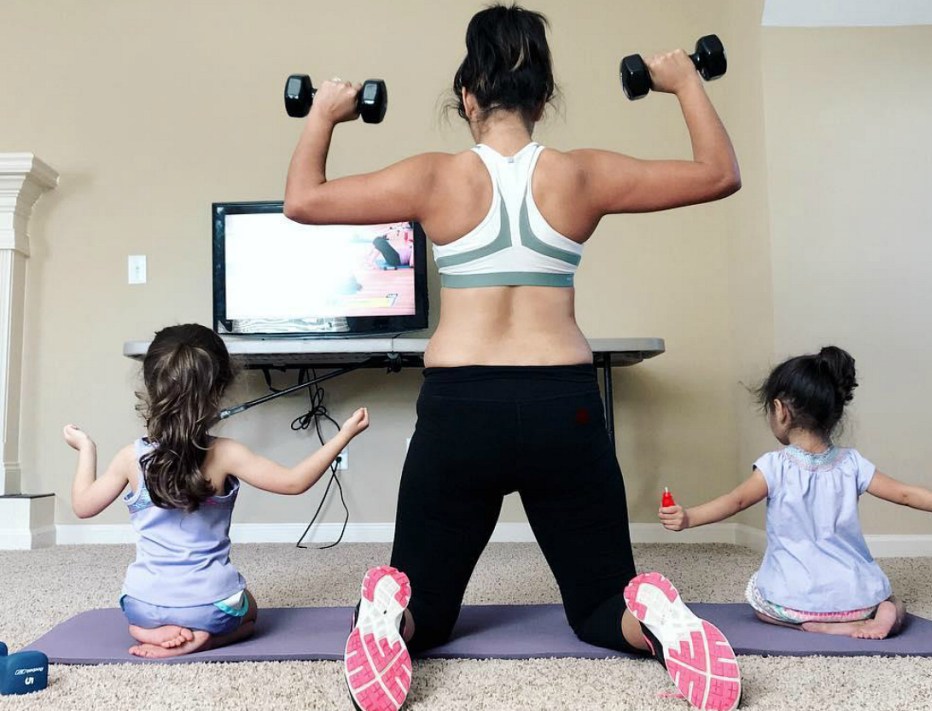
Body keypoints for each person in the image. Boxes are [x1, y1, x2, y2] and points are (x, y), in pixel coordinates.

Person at [284, 5, 741, 710]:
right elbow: (718, 174)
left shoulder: (435, 177)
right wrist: (682, 81)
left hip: (460, 411)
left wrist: (325, 113)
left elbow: (303, 201)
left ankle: (384, 612)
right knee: (597, 606)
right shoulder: (581, 175)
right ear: (545, 98)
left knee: (425, 613)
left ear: (467, 96)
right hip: (566, 406)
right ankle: (656, 617)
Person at [660, 346, 932, 639]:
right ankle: (883, 613)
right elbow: (908, 494)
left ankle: (820, 625)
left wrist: (689, 517)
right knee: (890, 600)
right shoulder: (851, 463)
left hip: (795, 595)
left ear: (781, 411)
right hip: (857, 594)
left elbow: (734, 501)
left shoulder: (774, 466)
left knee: (760, 603)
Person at [63, 323, 369, 658]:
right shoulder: (225, 453)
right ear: (219, 390)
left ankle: (147, 633)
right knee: (250, 614)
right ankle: (205, 639)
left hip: (142, 605)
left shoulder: (129, 457)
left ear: (151, 387)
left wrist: (86, 448)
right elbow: (295, 482)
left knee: (137, 609)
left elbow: (83, 505)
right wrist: (343, 435)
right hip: (208, 607)